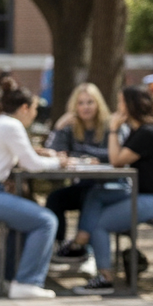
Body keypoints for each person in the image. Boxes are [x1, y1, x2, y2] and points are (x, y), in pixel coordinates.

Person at [60, 86, 153, 294]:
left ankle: (104, 277)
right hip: (147, 195)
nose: (117, 108)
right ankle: (81, 244)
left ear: (131, 106)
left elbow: (116, 160)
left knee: (100, 224)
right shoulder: (141, 130)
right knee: (96, 194)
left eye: (121, 103)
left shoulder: (148, 131)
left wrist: (114, 128)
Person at [0, 84, 64, 298]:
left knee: (25, 220)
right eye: (35, 109)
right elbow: (32, 164)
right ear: (25, 108)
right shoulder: (11, 125)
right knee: (46, 220)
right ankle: (27, 283)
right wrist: (61, 162)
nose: (35, 114)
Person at [46, 83, 111, 248]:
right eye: (81, 103)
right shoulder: (71, 128)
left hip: (104, 186)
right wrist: (58, 127)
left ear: (98, 104)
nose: (85, 107)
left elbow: (112, 154)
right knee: (55, 199)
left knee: (89, 200)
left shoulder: (109, 127)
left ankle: (85, 251)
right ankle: (58, 246)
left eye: (90, 102)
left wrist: (82, 154)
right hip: (81, 184)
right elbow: (54, 152)